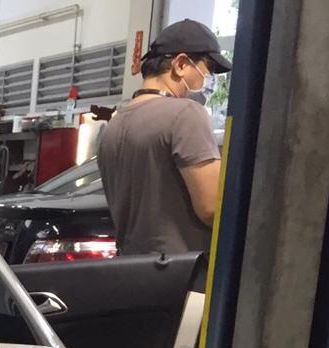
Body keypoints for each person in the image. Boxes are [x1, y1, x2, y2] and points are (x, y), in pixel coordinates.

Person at [98, 19, 232, 256]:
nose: (209, 79)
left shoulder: (114, 125)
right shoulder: (186, 113)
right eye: (208, 69)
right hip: (181, 270)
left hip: (129, 268)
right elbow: (213, 208)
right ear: (181, 64)